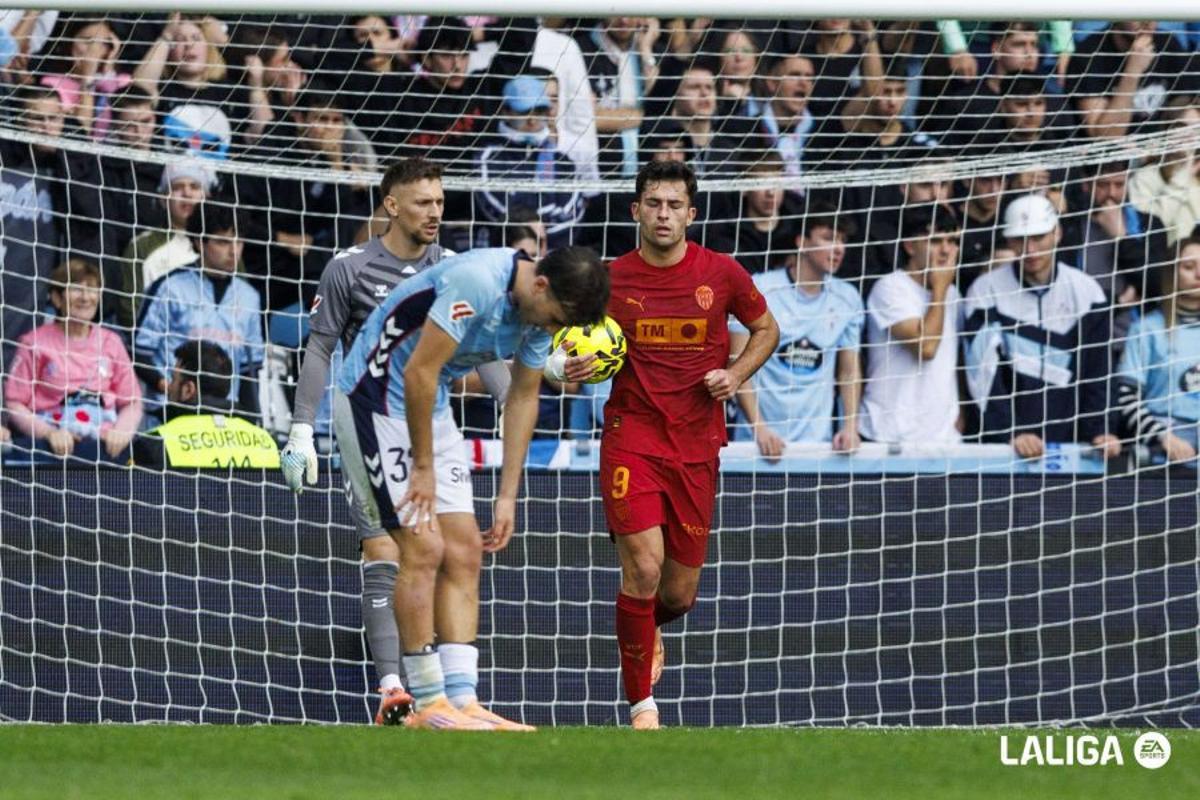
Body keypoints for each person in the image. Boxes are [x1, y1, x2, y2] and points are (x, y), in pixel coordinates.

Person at [337, 245, 609, 731]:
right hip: (372, 397)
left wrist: (507, 496)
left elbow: (524, 396)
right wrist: (423, 466)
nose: (552, 329)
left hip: (428, 404)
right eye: (556, 318)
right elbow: (419, 370)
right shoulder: (478, 280)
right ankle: (426, 702)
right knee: (422, 547)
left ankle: (462, 700)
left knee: (464, 550)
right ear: (541, 286)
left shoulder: (537, 315)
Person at [279, 156, 511, 726]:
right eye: (424, 202)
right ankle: (394, 691)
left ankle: (453, 697)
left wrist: (522, 396)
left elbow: (486, 353)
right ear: (391, 205)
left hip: (431, 427)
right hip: (365, 422)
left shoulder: (456, 268)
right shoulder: (349, 269)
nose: (436, 212)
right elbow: (320, 349)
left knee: (451, 551)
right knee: (386, 547)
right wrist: (301, 427)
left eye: (440, 201)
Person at [557, 160, 778, 729]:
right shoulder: (609, 279)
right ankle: (642, 707)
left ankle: (648, 626)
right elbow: (558, 347)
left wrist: (735, 374)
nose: (663, 214)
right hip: (631, 438)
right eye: (653, 203)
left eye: (674, 205)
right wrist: (568, 369)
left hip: (697, 445)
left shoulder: (722, 273)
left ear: (691, 214)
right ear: (636, 211)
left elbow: (767, 329)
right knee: (644, 571)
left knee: (677, 595)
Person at [962, 194, 1121, 460]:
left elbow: (1099, 371)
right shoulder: (984, 291)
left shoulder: (1087, 292)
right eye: (1021, 240)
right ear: (1009, 241)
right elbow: (983, 374)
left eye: (1038, 238)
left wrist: (1100, 429)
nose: (1031, 250)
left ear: (1057, 233)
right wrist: (1011, 432)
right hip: (1006, 449)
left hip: (1072, 447)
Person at [730, 209, 863, 456]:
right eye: (828, 238)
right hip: (756, 445)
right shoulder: (760, 288)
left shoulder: (848, 298)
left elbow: (848, 371)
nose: (838, 248)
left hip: (817, 446)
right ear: (801, 242)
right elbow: (737, 364)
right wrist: (760, 429)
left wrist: (850, 426)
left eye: (842, 240)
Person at [4, 259, 142, 463]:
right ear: (57, 298)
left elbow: (132, 401)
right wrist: (48, 433)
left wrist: (121, 431)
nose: (86, 298)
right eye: (77, 289)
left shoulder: (111, 342)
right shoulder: (34, 342)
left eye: (92, 289)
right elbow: (14, 403)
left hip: (103, 450)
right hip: (49, 450)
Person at [134, 201, 263, 417]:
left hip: (225, 416)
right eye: (222, 242)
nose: (233, 251)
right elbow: (139, 353)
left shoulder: (250, 297)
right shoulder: (169, 287)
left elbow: (249, 370)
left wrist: (251, 421)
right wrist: (170, 388)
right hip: (170, 410)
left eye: (238, 241)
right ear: (199, 242)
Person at [858, 205, 963, 444]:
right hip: (888, 434)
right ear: (909, 246)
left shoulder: (953, 294)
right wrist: (940, 289)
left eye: (953, 241)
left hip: (942, 438)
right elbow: (926, 348)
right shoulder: (889, 288)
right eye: (935, 240)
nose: (946, 250)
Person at [1117, 236, 1200, 465]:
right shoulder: (1147, 328)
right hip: (1162, 450)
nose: (1198, 274)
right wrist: (1164, 437)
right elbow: (1126, 397)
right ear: (1172, 272)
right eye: (1189, 267)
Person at [133, 339, 278, 469]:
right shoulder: (266, 443)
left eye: (173, 379)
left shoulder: (156, 443)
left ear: (188, 390)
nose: (170, 387)